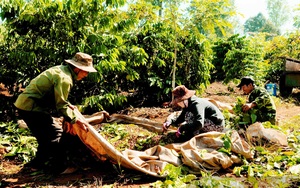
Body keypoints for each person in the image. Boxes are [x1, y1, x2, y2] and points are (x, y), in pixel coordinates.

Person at [14, 52, 97, 173]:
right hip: (31, 108)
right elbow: (61, 105)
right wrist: (75, 120)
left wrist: (69, 107)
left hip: (26, 105)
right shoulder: (65, 79)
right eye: (86, 71)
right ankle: (59, 167)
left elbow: (59, 98)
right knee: (56, 134)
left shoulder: (61, 70)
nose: (86, 74)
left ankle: (36, 165)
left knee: (44, 137)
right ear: (78, 69)